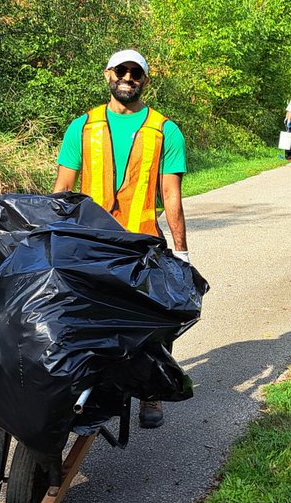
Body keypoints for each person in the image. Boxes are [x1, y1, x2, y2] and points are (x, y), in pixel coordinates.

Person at [52, 49, 189, 429]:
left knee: (153, 318)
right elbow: (63, 188)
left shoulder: (165, 130)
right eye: (121, 70)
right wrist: (51, 234)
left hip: (141, 243)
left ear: (145, 80)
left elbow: (172, 197)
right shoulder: (82, 127)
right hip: (89, 241)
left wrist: (181, 252)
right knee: (78, 314)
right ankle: (82, 383)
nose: (128, 77)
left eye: (136, 72)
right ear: (107, 74)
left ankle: (150, 392)